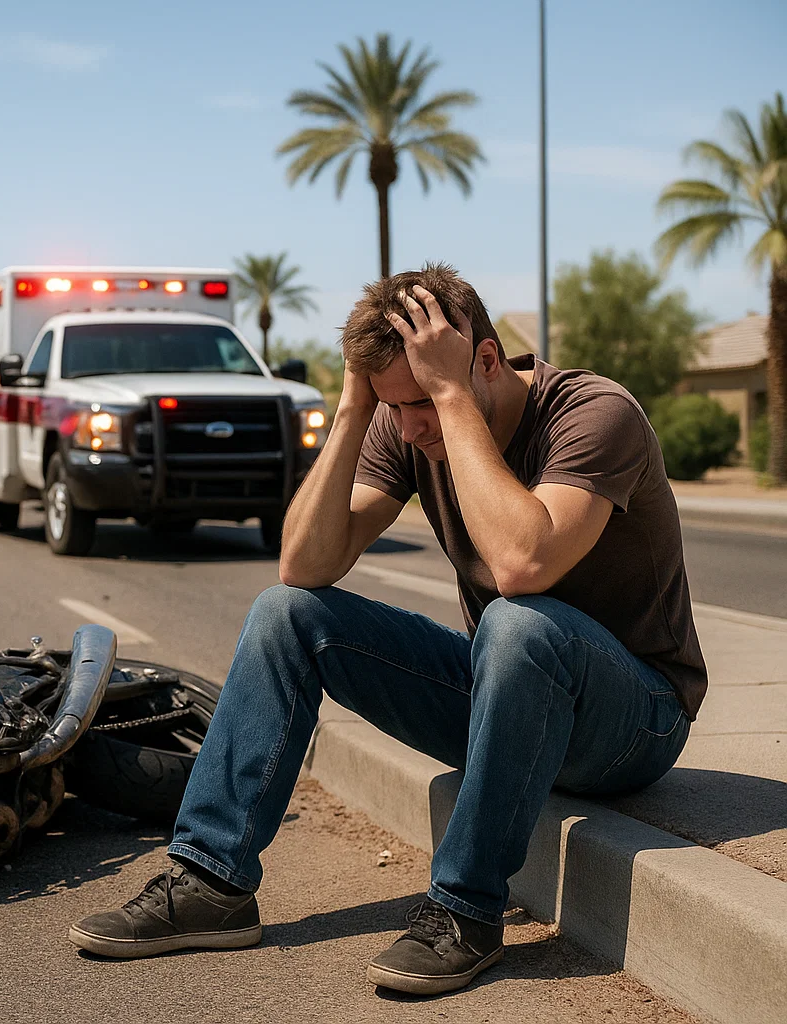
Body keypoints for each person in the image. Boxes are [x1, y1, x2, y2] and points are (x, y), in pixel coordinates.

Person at [68, 264, 705, 997]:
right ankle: (211, 880)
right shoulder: (403, 420)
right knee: (287, 614)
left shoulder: (593, 414)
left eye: (417, 403)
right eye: (390, 405)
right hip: (507, 697)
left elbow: (522, 562)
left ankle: (465, 911)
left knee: (517, 622)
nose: (407, 427)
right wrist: (351, 409)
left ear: (486, 361)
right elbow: (305, 564)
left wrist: (450, 395)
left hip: (636, 719)